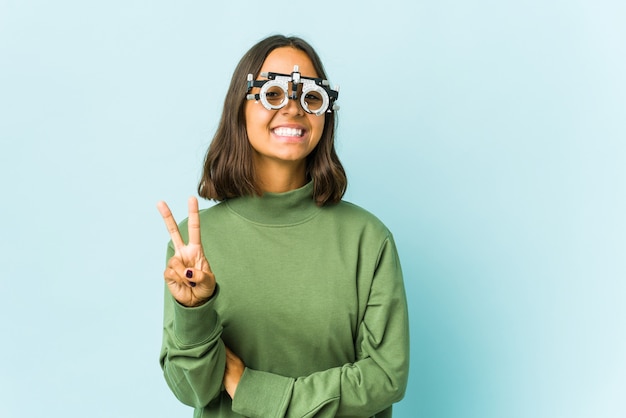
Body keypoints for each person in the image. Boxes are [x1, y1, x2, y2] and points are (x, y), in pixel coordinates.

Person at [157, 34, 410, 418]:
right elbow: (192, 389)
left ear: (326, 112)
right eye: (273, 94)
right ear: (239, 108)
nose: (293, 108)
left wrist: (254, 390)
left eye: (310, 97)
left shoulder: (368, 239)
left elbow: (386, 377)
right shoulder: (195, 248)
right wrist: (195, 312)